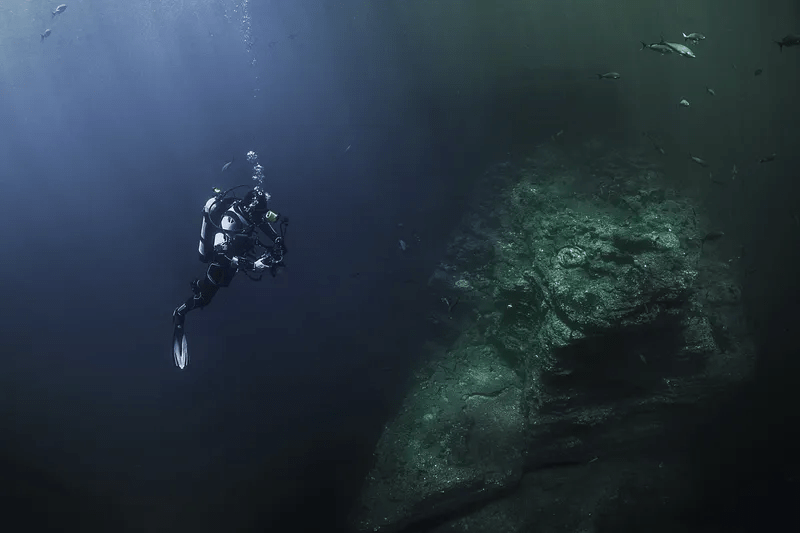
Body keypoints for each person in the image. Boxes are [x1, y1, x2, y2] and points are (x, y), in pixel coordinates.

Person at [172, 185, 288, 369]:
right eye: (258, 214)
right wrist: (253, 265)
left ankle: (199, 286)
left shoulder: (252, 214)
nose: (260, 217)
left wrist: (277, 239)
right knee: (204, 298)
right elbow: (221, 256)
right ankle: (179, 314)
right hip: (222, 260)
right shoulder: (230, 220)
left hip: (235, 254)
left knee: (225, 283)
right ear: (250, 210)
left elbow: (261, 222)